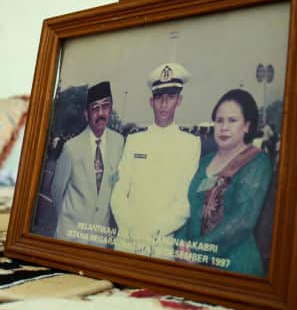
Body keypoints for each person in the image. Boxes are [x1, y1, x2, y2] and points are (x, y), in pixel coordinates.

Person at [176, 89, 273, 276]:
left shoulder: (257, 162)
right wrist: (180, 246)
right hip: (190, 266)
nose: (224, 127)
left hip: (235, 268)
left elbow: (242, 221)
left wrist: (197, 251)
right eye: (219, 120)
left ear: (246, 126)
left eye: (232, 120)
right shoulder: (203, 161)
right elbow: (185, 208)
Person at [110, 62, 200, 257]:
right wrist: (134, 231)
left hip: (161, 245)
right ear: (151, 101)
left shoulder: (191, 144)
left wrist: (152, 232)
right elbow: (119, 192)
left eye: (171, 97)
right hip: (128, 241)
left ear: (179, 100)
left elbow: (184, 202)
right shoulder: (134, 140)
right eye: (159, 98)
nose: (164, 104)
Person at [49, 81, 125, 247]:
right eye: (95, 108)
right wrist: (68, 220)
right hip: (71, 236)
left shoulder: (119, 143)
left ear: (110, 109)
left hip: (100, 239)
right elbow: (56, 191)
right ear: (86, 114)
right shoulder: (72, 147)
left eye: (105, 106)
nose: (100, 113)